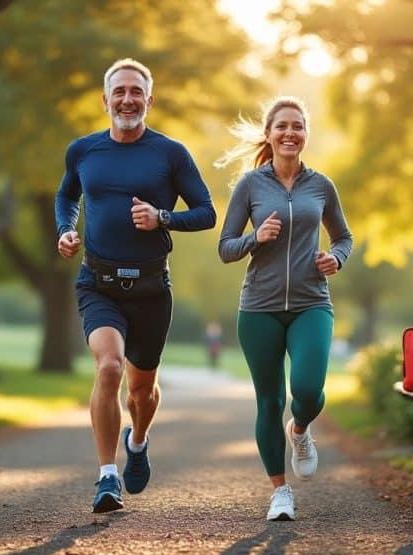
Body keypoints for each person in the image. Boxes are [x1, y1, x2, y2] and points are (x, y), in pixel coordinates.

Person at [55, 58, 216, 513]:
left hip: (150, 288)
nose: (128, 99)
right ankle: (107, 478)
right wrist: (66, 229)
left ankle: (138, 439)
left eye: (136, 92)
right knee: (109, 368)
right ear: (105, 100)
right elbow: (67, 194)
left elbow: (206, 212)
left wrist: (162, 217)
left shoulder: (170, 153)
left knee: (141, 392)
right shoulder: (83, 151)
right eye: (119, 91)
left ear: (149, 99)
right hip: (97, 282)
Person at [216, 96, 353, 521]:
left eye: (297, 126)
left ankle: (301, 431)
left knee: (308, 391)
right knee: (269, 401)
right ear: (269, 134)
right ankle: (280, 492)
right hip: (259, 308)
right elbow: (225, 248)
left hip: (312, 303)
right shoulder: (250, 186)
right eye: (282, 126)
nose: (290, 133)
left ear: (305, 134)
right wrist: (256, 239)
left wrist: (337, 258)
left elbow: (344, 237)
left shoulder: (322, 186)